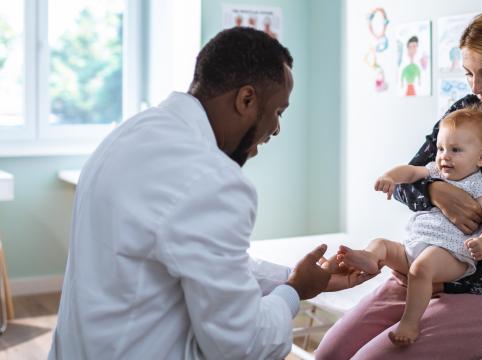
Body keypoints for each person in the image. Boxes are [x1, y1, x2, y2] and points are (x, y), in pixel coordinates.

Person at [48, 27, 372, 360]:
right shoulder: (213, 179)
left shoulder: (130, 134)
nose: (276, 129)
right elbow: (242, 345)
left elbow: (198, 259)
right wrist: (294, 291)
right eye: (278, 112)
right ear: (246, 100)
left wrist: (291, 277)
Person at [316, 8, 482, 359]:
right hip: (425, 269)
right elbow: (408, 178)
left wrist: (452, 279)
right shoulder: (467, 110)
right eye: (469, 74)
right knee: (329, 354)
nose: (477, 87)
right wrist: (436, 191)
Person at [330, 107, 482, 346]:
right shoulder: (436, 171)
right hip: (415, 246)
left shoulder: (480, 185)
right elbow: (411, 171)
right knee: (382, 244)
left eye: (455, 150)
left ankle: (410, 322)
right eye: (441, 148)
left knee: (420, 270)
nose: (444, 156)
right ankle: (371, 258)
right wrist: (391, 177)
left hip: (451, 252)